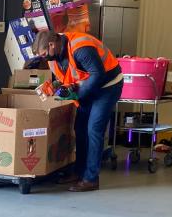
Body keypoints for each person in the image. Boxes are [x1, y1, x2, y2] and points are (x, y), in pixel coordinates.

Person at [45, 31, 122, 192]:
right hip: (88, 88)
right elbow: (66, 77)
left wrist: (78, 94)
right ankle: (79, 172)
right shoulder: (53, 57)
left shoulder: (81, 47)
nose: (44, 58)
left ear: (52, 44)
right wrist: (56, 87)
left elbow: (97, 75)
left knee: (93, 129)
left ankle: (91, 179)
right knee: (80, 128)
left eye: (44, 53)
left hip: (108, 87)